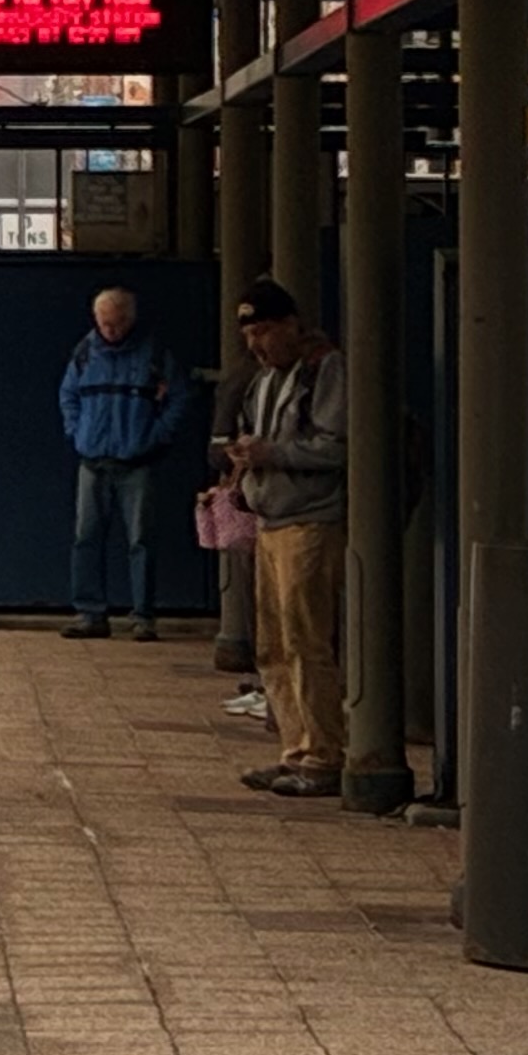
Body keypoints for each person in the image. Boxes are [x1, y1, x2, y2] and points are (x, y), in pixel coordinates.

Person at [214, 278, 347, 795]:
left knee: (306, 640)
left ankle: (324, 754)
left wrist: (274, 455)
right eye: (250, 334)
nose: (257, 344)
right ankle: (294, 749)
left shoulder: (323, 370)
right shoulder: (264, 381)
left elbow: (336, 447)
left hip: (309, 520)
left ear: (292, 326)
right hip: (269, 520)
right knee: (271, 644)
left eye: (265, 331)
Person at [58, 287, 193, 640]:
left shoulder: (153, 354)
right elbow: (68, 394)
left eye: (116, 324)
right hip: (93, 458)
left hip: (137, 459)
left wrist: (155, 436)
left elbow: (179, 398)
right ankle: (90, 612)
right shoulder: (85, 352)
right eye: (104, 324)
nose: (110, 331)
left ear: (130, 321)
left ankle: (143, 616)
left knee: (141, 540)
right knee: (86, 538)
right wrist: (77, 432)